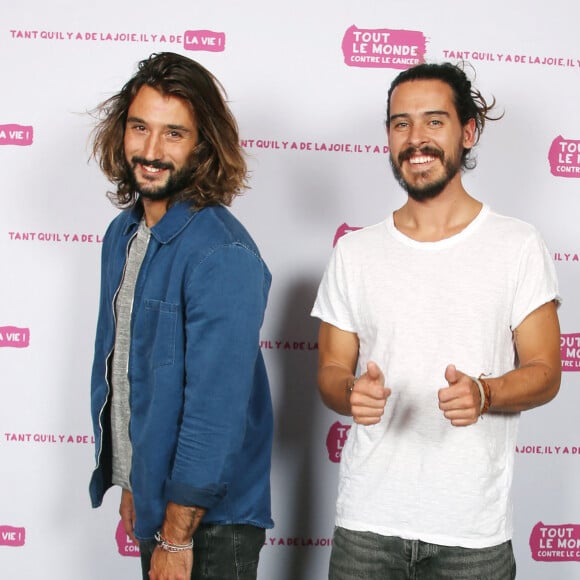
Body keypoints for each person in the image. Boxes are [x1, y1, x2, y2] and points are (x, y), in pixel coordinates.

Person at [311, 62, 561, 579]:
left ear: (468, 131)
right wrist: (351, 391)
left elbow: (545, 371)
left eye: (433, 121)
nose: (415, 138)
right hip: (367, 527)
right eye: (401, 123)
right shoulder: (355, 252)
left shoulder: (518, 246)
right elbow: (331, 373)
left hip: (472, 535)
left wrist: (485, 393)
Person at [89, 52, 273, 580]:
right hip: (157, 501)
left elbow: (214, 412)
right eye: (139, 127)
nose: (150, 150)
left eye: (173, 134)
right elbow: (128, 372)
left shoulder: (222, 254)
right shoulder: (123, 235)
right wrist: (130, 481)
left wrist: (175, 535)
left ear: (202, 146)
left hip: (208, 526)